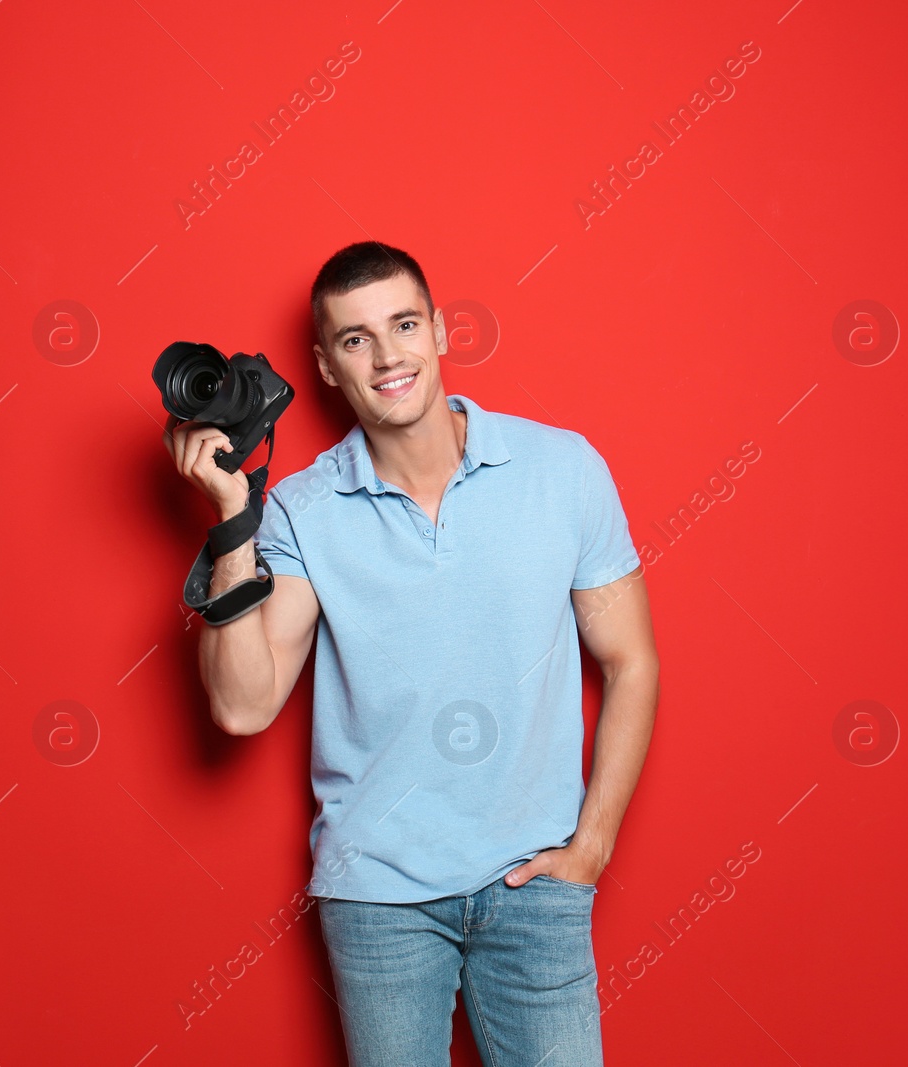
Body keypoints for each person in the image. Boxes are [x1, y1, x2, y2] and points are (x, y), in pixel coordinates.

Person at [163, 240, 659, 1066]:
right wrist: (230, 520)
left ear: (439, 330)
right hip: (378, 895)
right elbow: (242, 705)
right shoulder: (300, 509)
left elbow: (632, 661)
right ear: (325, 365)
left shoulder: (561, 469)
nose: (388, 355)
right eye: (356, 338)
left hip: (536, 888)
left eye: (402, 325)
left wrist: (593, 845)